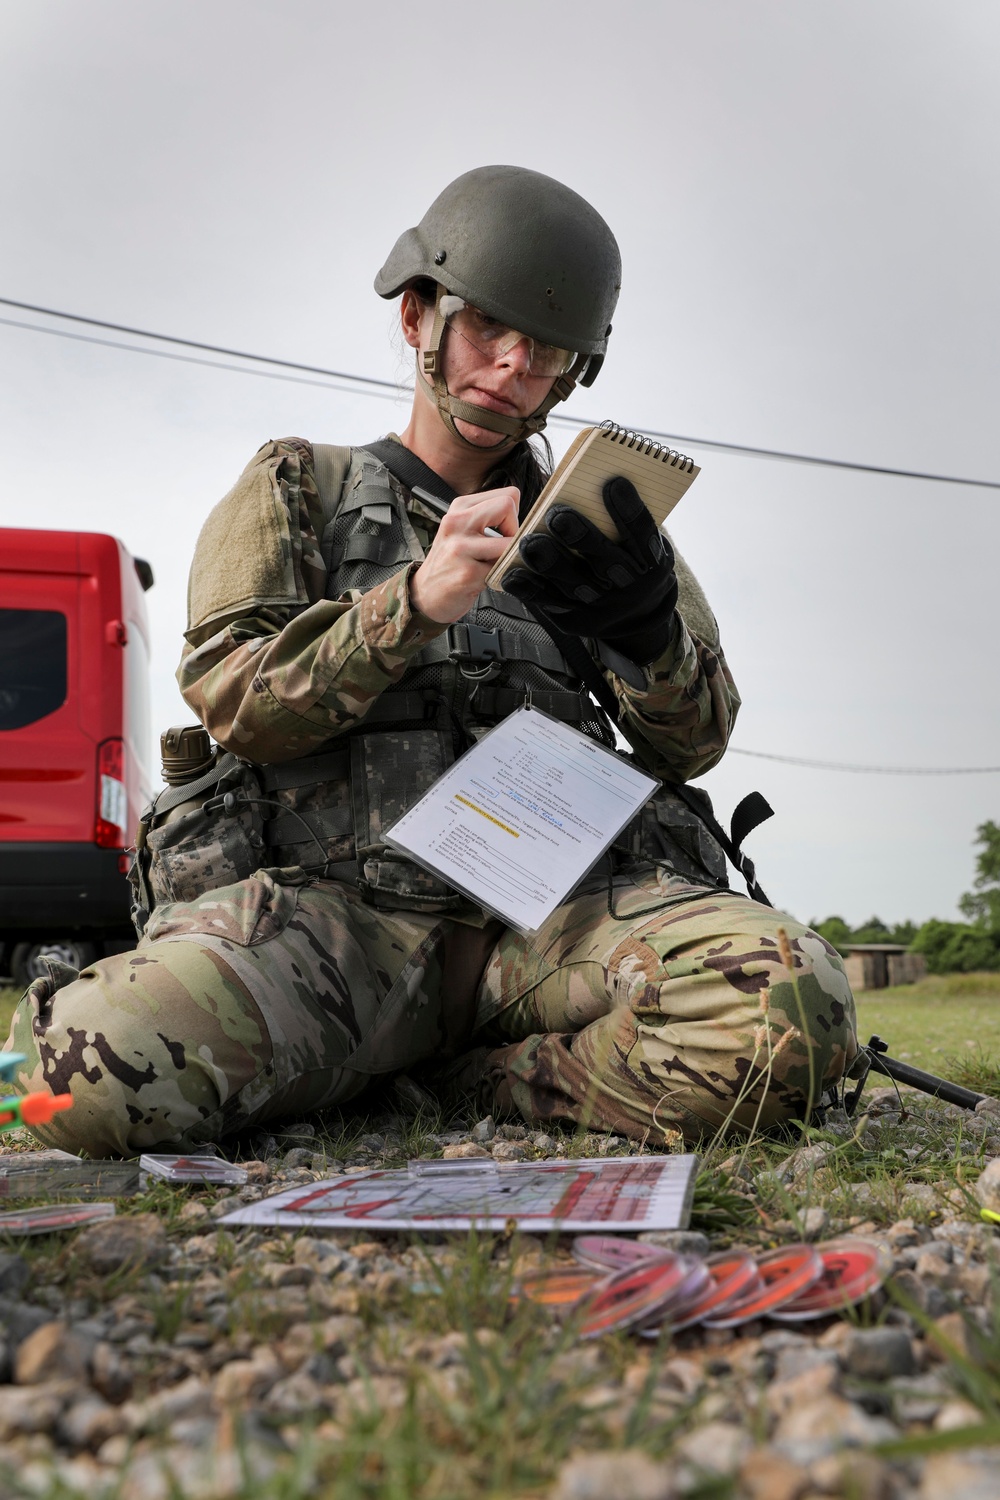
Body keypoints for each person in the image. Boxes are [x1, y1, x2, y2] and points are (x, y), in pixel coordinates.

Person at [6, 165, 858, 1158]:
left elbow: (697, 744)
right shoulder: (300, 485)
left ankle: (467, 1083)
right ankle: (368, 1055)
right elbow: (238, 706)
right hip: (338, 929)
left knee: (787, 1006)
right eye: (486, 328)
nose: (510, 365)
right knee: (71, 1079)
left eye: (546, 351)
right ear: (418, 315)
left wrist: (649, 631)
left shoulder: (605, 529)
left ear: (576, 371)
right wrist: (409, 607)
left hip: (550, 926)